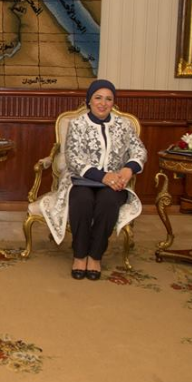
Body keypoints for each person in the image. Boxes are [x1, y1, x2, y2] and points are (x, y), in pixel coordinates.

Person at [39, 79, 147, 280]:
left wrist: (128, 169)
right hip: (81, 180)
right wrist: (102, 176)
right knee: (82, 201)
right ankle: (80, 255)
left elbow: (139, 150)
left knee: (107, 203)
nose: (103, 103)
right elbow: (73, 158)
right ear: (89, 100)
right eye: (98, 98)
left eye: (108, 99)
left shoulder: (123, 125)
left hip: (115, 182)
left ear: (113, 102)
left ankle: (95, 255)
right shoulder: (77, 124)